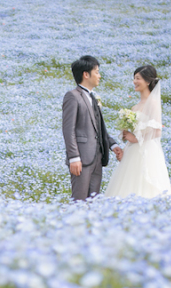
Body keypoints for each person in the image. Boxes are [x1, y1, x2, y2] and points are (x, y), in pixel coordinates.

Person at [104, 65, 171, 199]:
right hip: (132, 150)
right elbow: (132, 134)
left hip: (146, 151)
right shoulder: (135, 106)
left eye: (138, 78)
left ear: (147, 81)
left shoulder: (152, 103)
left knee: (143, 185)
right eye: (134, 78)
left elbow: (157, 131)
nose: (134, 82)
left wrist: (135, 139)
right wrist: (125, 133)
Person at [62, 56, 123, 201]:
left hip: (97, 158)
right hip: (81, 159)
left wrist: (113, 145)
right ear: (86, 74)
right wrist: (74, 157)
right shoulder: (73, 96)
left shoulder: (93, 97)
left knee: (93, 201)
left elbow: (99, 128)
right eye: (97, 72)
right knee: (79, 200)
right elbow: (68, 129)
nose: (99, 76)